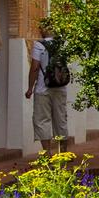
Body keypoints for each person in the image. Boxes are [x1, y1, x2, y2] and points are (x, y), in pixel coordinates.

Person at [27, 17, 73, 154]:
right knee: (61, 118)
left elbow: (35, 67)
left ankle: (47, 153)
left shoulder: (39, 45)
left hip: (43, 88)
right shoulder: (62, 44)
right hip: (60, 87)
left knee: (42, 120)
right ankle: (63, 152)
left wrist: (30, 88)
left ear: (43, 29)